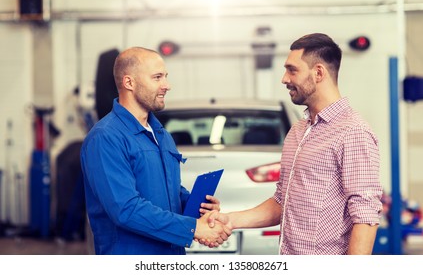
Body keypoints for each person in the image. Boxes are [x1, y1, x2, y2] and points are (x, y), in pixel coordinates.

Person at [208, 33, 383, 255]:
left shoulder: (353, 132)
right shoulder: (299, 131)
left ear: (318, 72)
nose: (284, 78)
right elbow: (282, 202)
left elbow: (365, 215)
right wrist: (230, 220)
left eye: (292, 70)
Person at [80, 46, 231, 255]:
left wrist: (197, 207)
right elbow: (125, 209)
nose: (167, 86)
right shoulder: (105, 138)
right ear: (129, 82)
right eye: (157, 77)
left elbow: (170, 190)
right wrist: (194, 228)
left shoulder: (160, 133)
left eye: (166, 77)